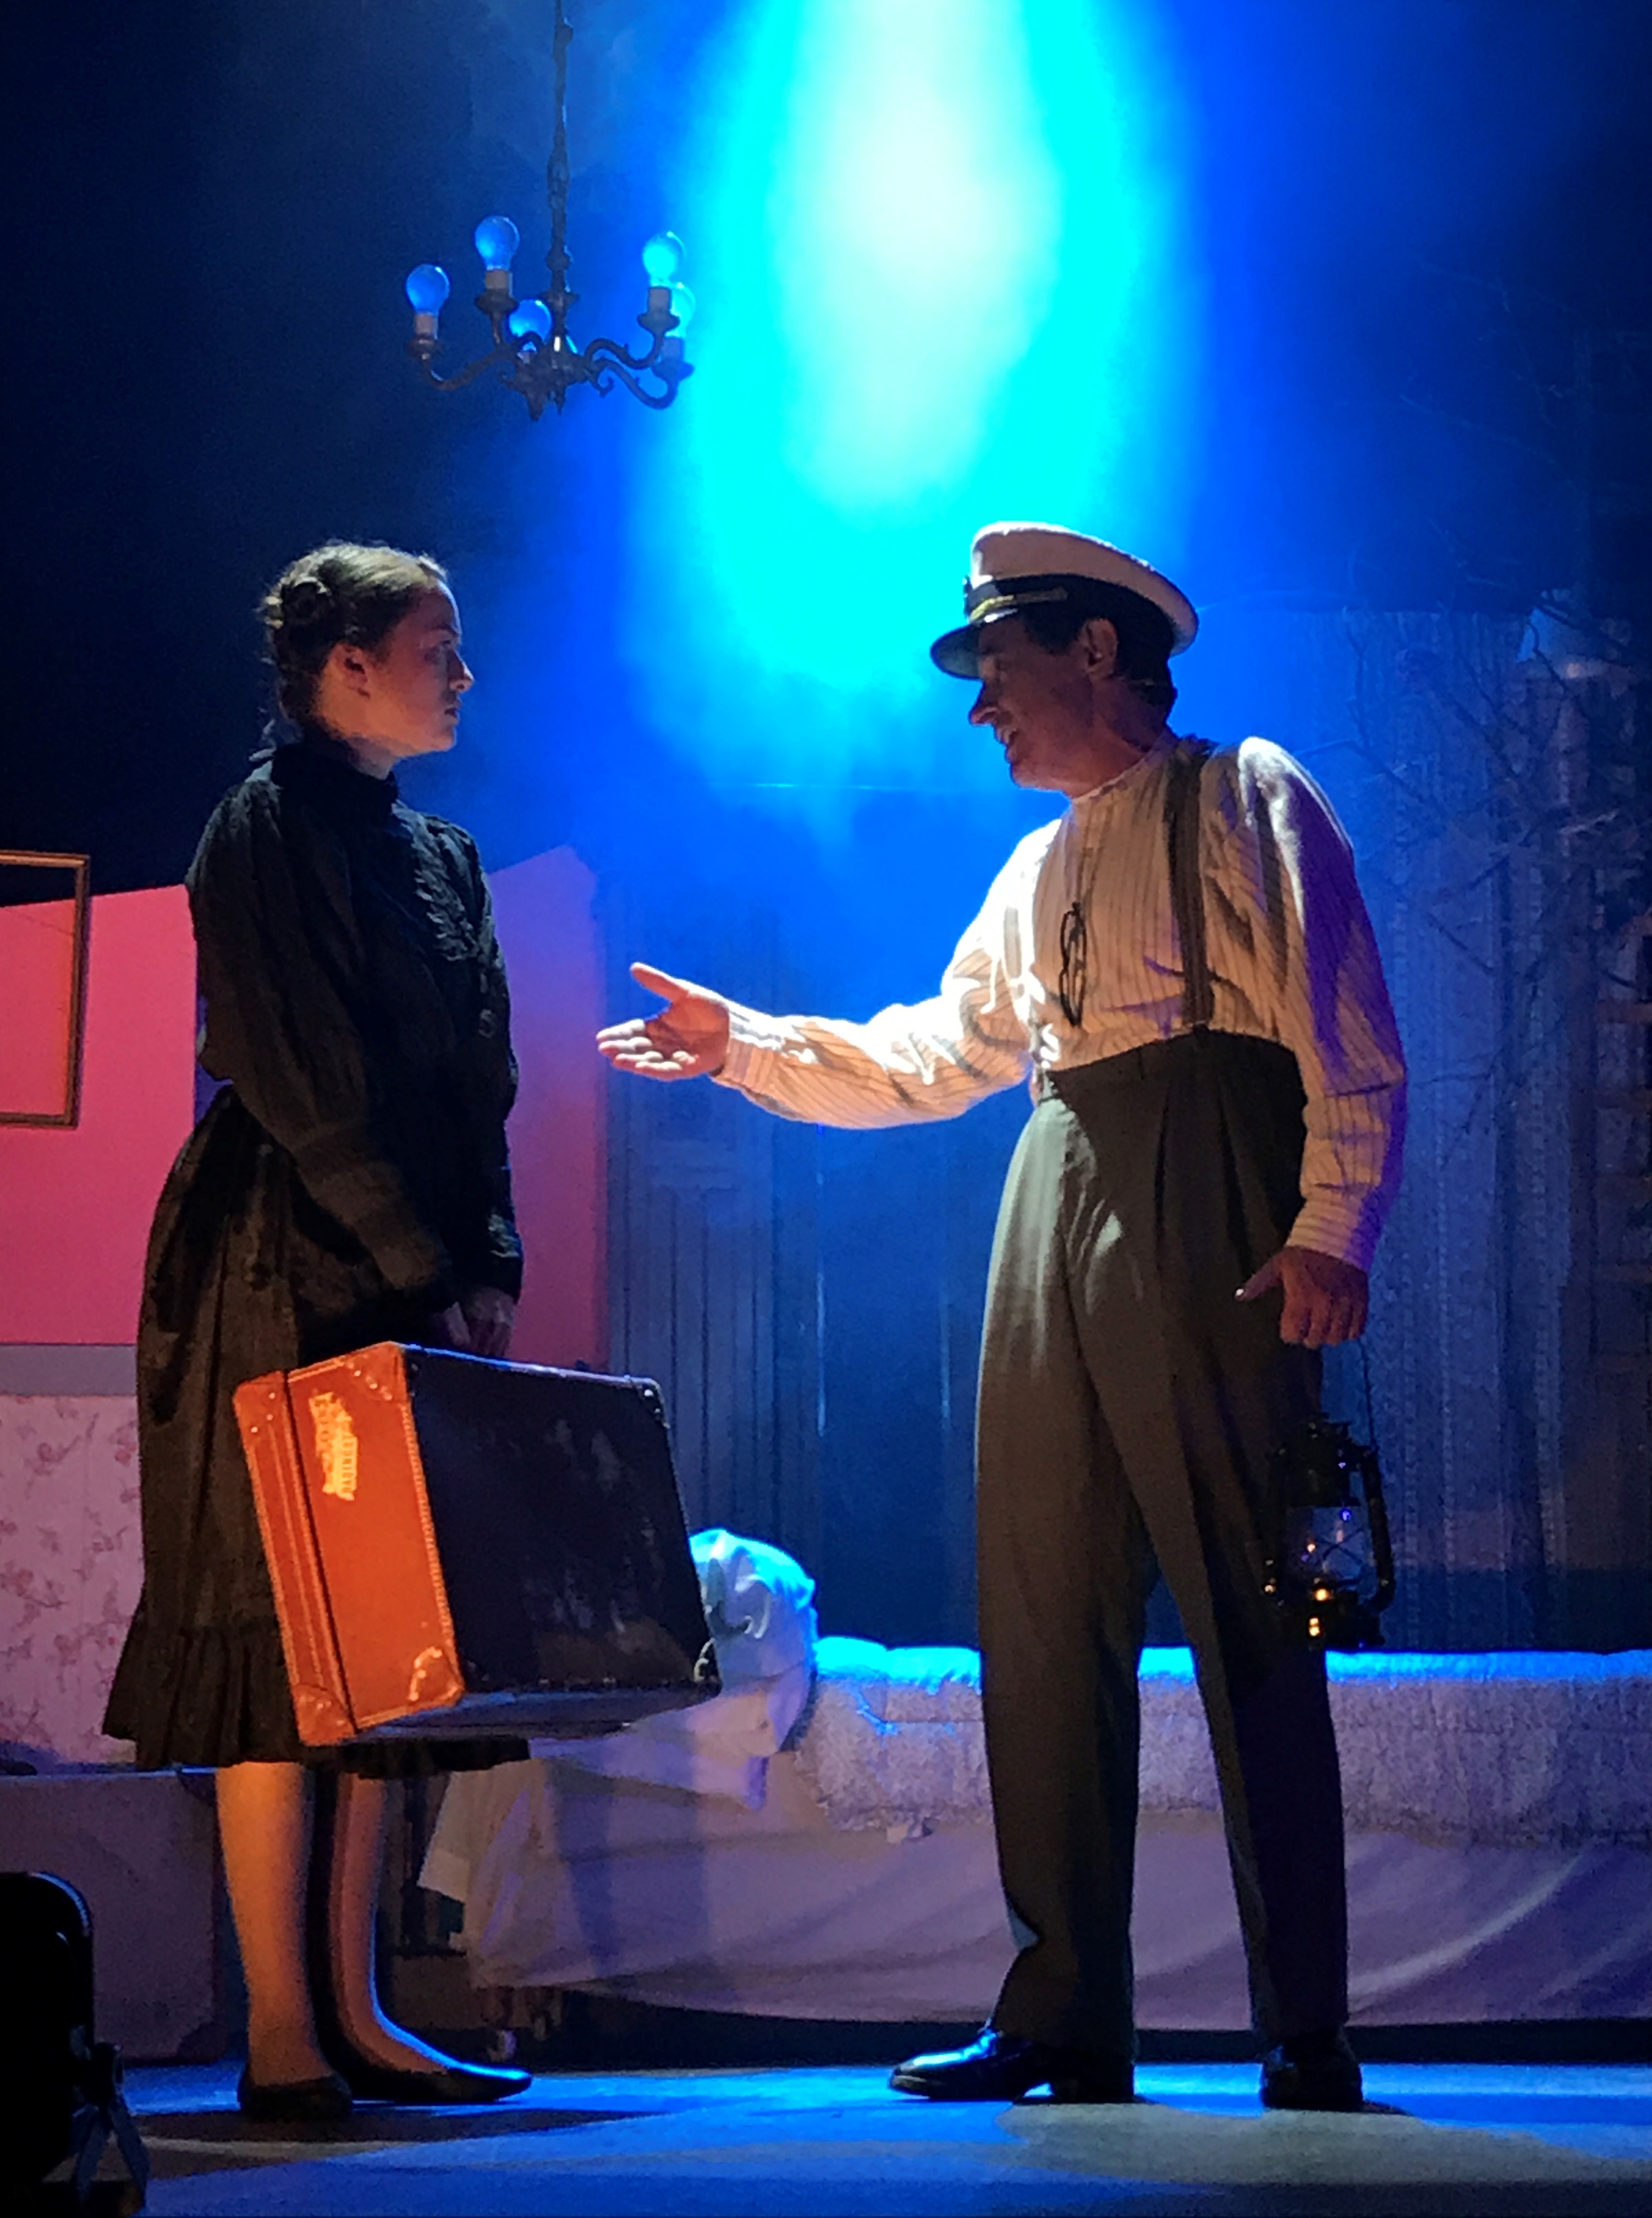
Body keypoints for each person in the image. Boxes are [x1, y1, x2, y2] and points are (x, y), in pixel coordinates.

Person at [597, 523, 1406, 2111]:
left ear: (1098, 652)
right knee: (1040, 1602)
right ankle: (1063, 2014)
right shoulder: (1035, 870)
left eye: (1000, 670)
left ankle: (1304, 2022)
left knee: (1249, 1605)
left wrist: (1334, 1224)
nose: (982, 709)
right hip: (1060, 1173)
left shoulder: (1247, 792)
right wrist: (745, 1043)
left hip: (1211, 1167)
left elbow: (1348, 1021)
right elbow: (933, 1056)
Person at [105, 542, 532, 2122]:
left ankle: (358, 2013)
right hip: (278, 1255)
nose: (461, 675)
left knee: (378, 1642)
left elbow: (482, 1081)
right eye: (435, 647)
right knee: (276, 1632)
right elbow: (293, 1074)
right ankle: (282, 2031)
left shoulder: (444, 855)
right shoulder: (262, 828)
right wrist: (419, 1258)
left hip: (406, 1263)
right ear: (347, 666)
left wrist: (486, 1262)